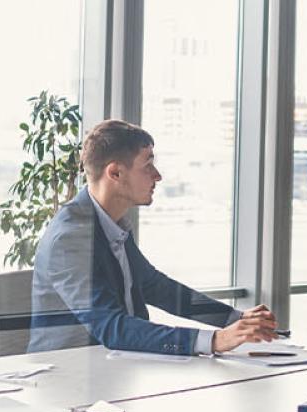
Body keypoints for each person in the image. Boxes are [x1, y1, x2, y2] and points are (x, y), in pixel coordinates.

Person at [28, 119, 278, 355]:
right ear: (115, 173)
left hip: (113, 369)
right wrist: (214, 340)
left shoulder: (112, 223)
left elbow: (154, 286)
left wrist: (235, 319)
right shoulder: (69, 237)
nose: (157, 175)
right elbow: (111, 327)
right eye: (147, 165)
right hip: (68, 381)